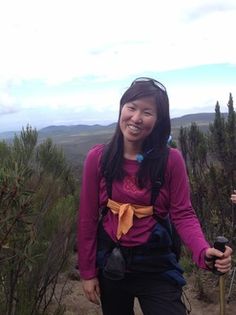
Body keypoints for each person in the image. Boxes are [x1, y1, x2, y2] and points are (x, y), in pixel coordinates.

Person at [77, 77, 232, 315]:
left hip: (156, 265)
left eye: (147, 112)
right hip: (112, 264)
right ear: (122, 108)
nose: (136, 118)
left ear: (158, 121)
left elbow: (183, 213)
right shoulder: (98, 158)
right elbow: (87, 219)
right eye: (131, 107)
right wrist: (88, 273)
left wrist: (203, 252)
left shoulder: (171, 160)